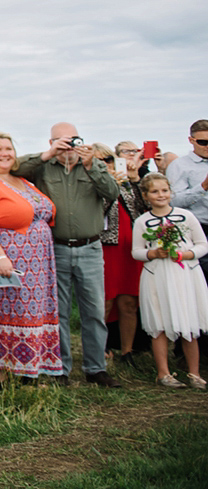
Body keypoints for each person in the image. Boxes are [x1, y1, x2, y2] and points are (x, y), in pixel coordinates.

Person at [14, 124, 121, 387]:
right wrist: (48, 154)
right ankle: (59, 368)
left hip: (90, 248)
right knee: (58, 311)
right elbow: (15, 169)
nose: (68, 147)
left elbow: (113, 193)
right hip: (56, 248)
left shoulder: (92, 166)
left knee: (94, 311)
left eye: (73, 140)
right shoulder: (44, 167)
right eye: (62, 141)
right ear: (51, 141)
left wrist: (92, 164)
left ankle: (96, 368)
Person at [0, 132, 62, 384]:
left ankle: (28, 367)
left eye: (8, 148)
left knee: (30, 313)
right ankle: (0, 376)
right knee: (5, 311)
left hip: (37, 263)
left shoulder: (21, 180)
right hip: (6, 257)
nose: (4, 153)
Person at [131, 173, 208, 389]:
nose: (161, 195)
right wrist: (153, 254)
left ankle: (194, 373)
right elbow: (136, 251)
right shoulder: (142, 221)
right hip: (157, 275)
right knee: (159, 323)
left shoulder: (186, 216)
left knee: (189, 322)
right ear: (146, 196)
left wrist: (186, 255)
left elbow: (203, 244)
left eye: (164, 190)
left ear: (171, 192)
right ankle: (163, 373)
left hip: (185, 274)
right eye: (155, 191)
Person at [100, 142, 146, 366]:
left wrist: (134, 178)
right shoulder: (94, 184)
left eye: (108, 160)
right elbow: (100, 211)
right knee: (105, 301)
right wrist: (111, 184)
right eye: (100, 162)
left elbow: (142, 208)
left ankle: (127, 351)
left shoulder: (126, 182)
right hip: (107, 247)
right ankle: (101, 346)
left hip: (130, 248)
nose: (106, 165)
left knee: (129, 301)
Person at [166, 120, 208, 272]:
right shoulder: (179, 165)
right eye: (203, 142)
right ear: (191, 141)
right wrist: (202, 187)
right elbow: (173, 201)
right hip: (198, 229)